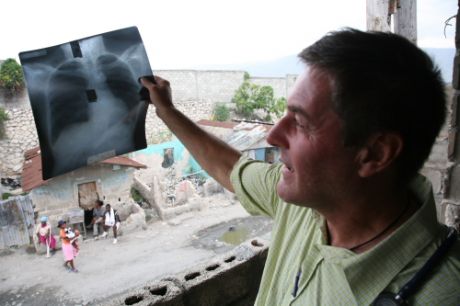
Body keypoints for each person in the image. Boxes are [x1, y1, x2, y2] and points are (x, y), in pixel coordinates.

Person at [140, 28, 459, 305]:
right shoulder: (305, 203)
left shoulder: (441, 293)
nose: (273, 134)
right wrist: (167, 111)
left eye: (301, 122)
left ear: (374, 154)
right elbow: (230, 169)